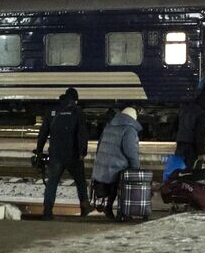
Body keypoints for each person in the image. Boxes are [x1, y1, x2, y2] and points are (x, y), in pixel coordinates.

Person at [34, 87, 90, 219]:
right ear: (75, 100)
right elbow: (82, 134)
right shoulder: (77, 112)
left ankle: (47, 211)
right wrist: (83, 152)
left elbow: (43, 133)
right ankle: (84, 208)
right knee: (81, 182)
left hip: (55, 155)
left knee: (52, 183)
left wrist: (39, 151)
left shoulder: (52, 111)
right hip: (73, 155)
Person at [90, 106, 142, 219]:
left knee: (117, 176)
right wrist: (136, 168)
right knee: (123, 178)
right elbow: (130, 152)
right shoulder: (129, 130)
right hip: (114, 168)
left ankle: (109, 207)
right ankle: (122, 211)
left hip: (101, 167)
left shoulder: (109, 126)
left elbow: (99, 146)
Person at [173, 90, 205, 165]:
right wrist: (201, 152)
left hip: (181, 143)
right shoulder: (201, 113)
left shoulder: (183, 109)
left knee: (179, 167)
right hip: (192, 146)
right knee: (190, 169)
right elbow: (199, 134)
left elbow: (175, 126)